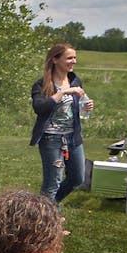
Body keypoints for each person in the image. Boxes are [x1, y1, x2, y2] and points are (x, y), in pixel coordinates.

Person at [30, 43, 90, 203]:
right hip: (52, 139)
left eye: (75, 57)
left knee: (77, 178)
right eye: (69, 58)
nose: (74, 61)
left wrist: (85, 106)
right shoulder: (41, 85)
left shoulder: (76, 81)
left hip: (73, 138)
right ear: (55, 59)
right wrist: (63, 92)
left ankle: (48, 207)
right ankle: (47, 222)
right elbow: (40, 108)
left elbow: (74, 108)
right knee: (52, 183)